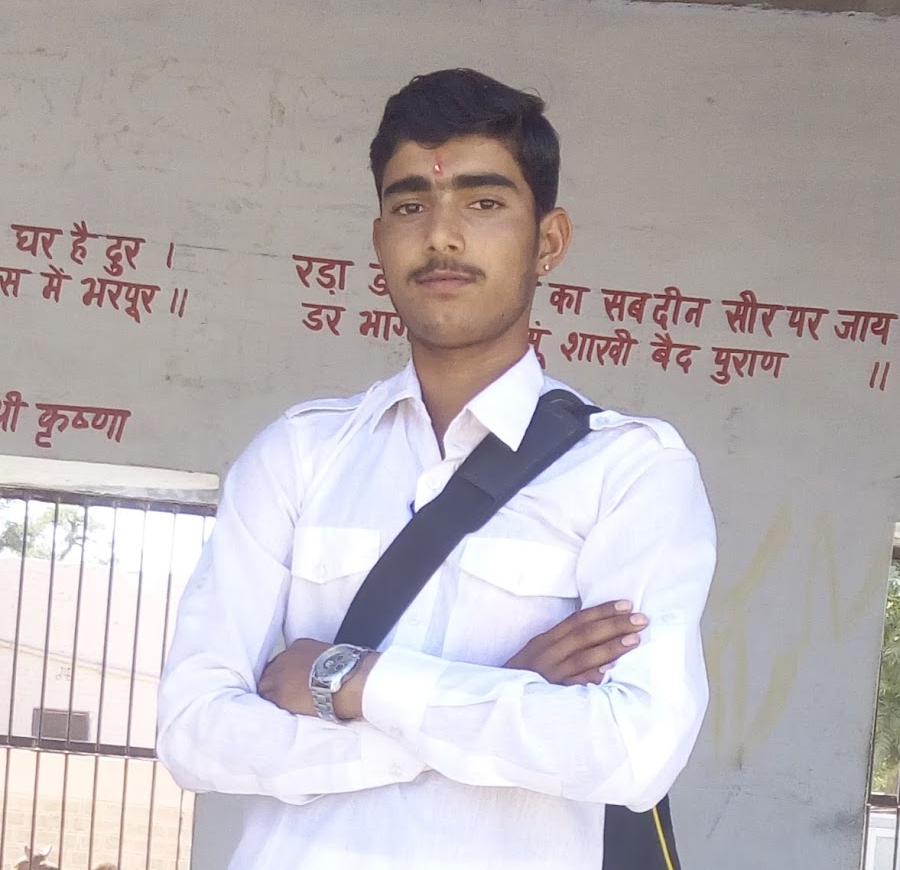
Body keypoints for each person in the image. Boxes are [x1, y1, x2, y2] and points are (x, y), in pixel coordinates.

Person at [157, 68, 716, 869]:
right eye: (410, 205)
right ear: (380, 240)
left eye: (483, 203)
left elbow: (632, 749)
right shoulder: (298, 455)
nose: (442, 236)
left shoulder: (629, 471)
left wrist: (353, 681)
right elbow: (194, 733)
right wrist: (485, 701)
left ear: (548, 241)